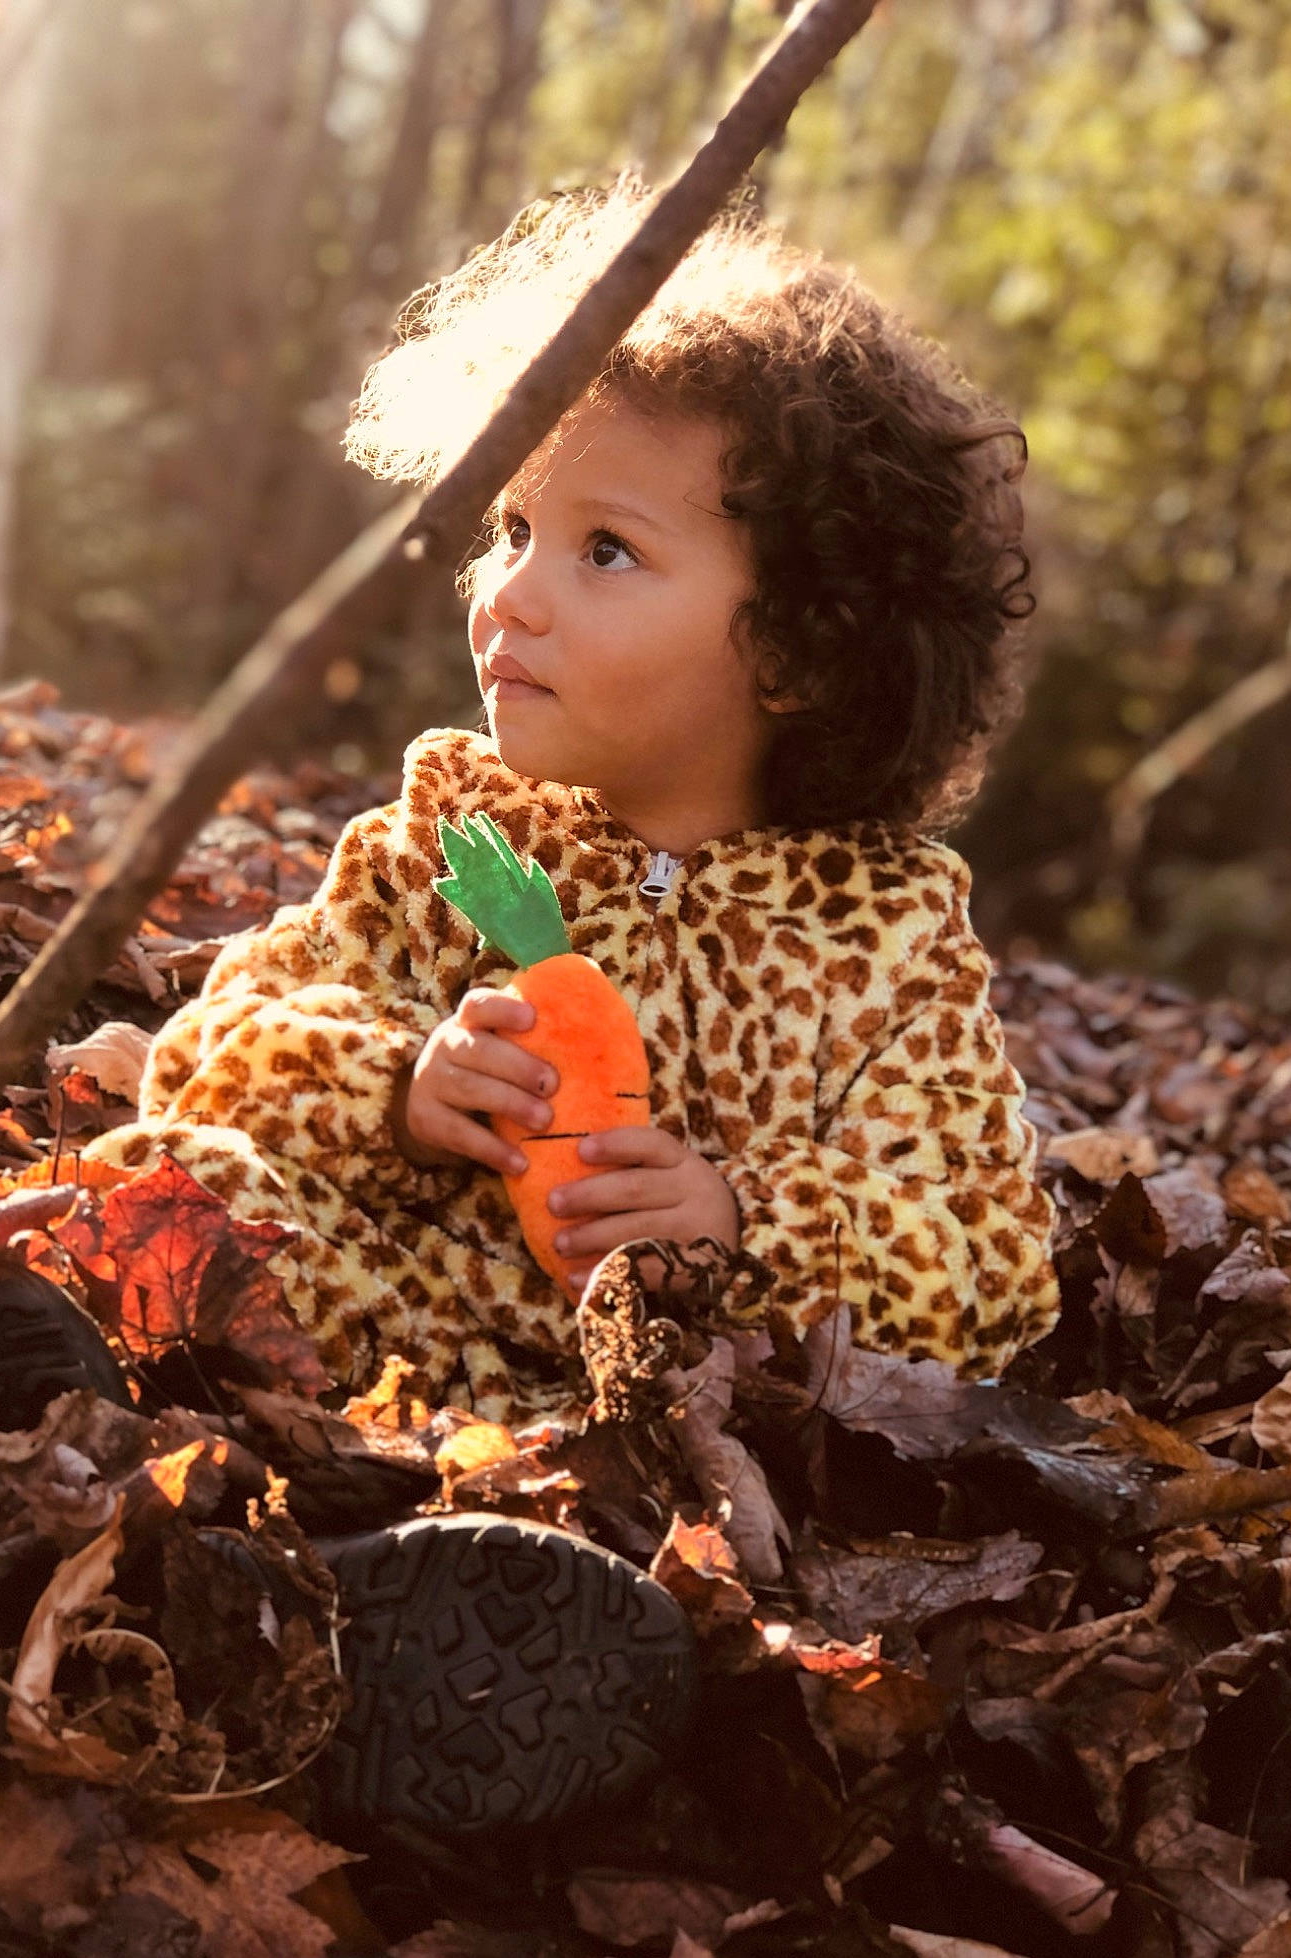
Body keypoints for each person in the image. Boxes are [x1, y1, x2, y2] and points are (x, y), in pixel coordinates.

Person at [67, 169, 1062, 1841]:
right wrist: (398, 1082)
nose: (509, 592)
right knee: (186, 1182)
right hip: (393, 1320)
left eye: (604, 550)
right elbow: (222, 1045)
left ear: (802, 653)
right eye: (511, 528)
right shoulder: (456, 840)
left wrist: (747, 1219)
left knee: (704, 1520)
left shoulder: (885, 938)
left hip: (648, 1420)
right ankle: (210, 1496)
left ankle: (480, 1641)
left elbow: (987, 1247)